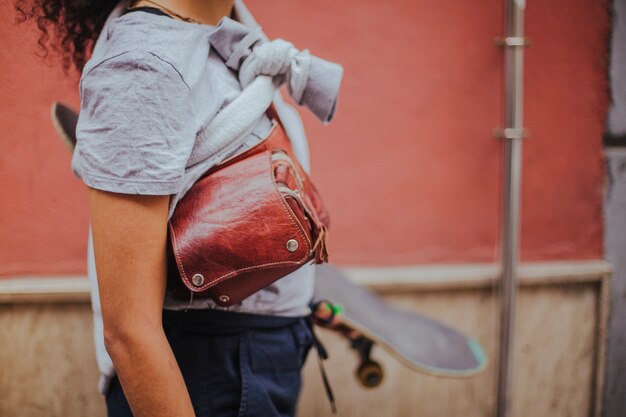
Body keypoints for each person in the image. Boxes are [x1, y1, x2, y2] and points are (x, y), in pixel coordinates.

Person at [14, 0, 343, 416]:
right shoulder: (144, 67)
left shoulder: (227, 34)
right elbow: (130, 331)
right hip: (208, 374)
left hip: (258, 359)